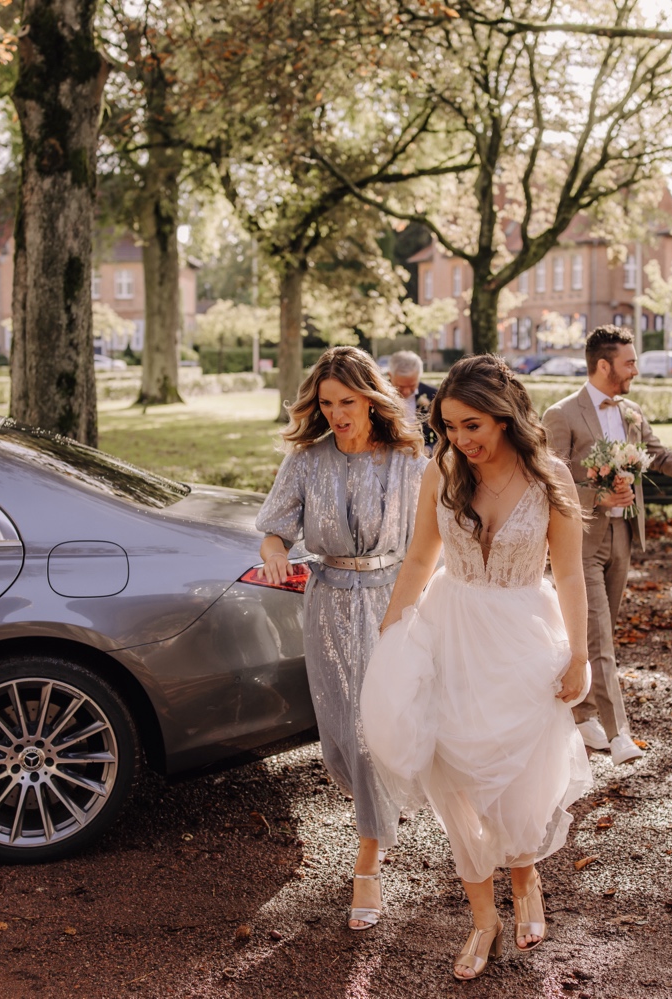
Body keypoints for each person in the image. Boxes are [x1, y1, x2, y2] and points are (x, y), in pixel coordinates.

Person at [361, 355, 592, 980]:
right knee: (453, 771)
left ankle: (525, 880)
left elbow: (568, 572)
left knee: (518, 776)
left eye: (471, 426)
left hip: (522, 636)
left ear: (505, 416)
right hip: (450, 628)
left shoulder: (552, 480)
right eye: (448, 427)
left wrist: (580, 652)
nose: (460, 440)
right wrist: (392, 638)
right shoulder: (442, 472)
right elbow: (416, 562)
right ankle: (483, 917)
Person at [255, 346, 428, 932]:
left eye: (346, 402)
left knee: (368, 725)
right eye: (326, 403)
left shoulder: (407, 459)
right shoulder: (306, 461)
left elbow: (431, 539)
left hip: (391, 601)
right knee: (337, 733)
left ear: (371, 400)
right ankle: (378, 815)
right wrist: (276, 553)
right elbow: (274, 530)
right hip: (328, 603)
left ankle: (368, 861)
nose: (335, 413)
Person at [543, 326, 672, 763]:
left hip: (623, 536)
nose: (636, 370)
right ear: (604, 366)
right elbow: (551, 482)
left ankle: (581, 714)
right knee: (599, 638)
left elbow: (657, 455)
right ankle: (616, 731)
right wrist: (596, 496)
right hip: (581, 542)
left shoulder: (632, 412)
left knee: (597, 634)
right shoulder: (561, 414)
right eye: (630, 362)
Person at [387, 350, 439, 452]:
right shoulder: (377, 394)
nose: (406, 392)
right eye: (401, 387)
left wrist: (429, 449)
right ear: (390, 376)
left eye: (412, 386)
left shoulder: (433, 395)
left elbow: (443, 434)